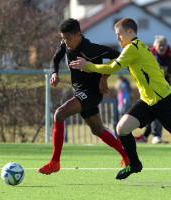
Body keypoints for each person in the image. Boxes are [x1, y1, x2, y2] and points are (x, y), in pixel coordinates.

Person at [69, 18, 171, 187]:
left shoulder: (134, 48)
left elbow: (112, 67)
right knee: (122, 128)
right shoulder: (131, 49)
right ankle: (134, 164)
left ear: (130, 32)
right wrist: (90, 66)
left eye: (119, 35)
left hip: (164, 101)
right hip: (147, 102)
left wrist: (88, 65)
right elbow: (114, 63)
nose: (117, 39)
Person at [38, 18, 130, 175]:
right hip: (79, 92)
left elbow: (119, 58)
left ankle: (55, 162)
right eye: (63, 38)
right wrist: (54, 73)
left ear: (78, 34)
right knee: (98, 130)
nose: (65, 42)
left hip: (93, 93)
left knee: (59, 114)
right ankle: (127, 156)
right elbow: (55, 59)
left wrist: (104, 77)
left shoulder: (92, 49)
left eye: (68, 38)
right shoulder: (65, 45)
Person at [134, 35, 171, 144]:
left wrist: (168, 69)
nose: (162, 47)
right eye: (160, 45)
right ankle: (154, 136)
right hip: (155, 90)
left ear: (167, 46)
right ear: (155, 46)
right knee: (155, 113)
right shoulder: (150, 54)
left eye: (164, 45)